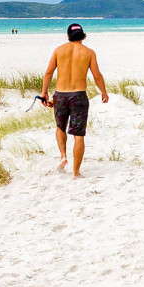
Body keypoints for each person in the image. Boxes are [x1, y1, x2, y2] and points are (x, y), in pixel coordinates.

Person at [41, 23, 108, 179]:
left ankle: (63, 155)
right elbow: (97, 75)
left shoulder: (59, 50)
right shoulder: (89, 52)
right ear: (82, 35)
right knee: (78, 135)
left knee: (60, 127)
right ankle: (75, 173)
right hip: (78, 96)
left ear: (68, 35)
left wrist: (44, 92)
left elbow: (49, 72)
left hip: (60, 95)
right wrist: (103, 92)